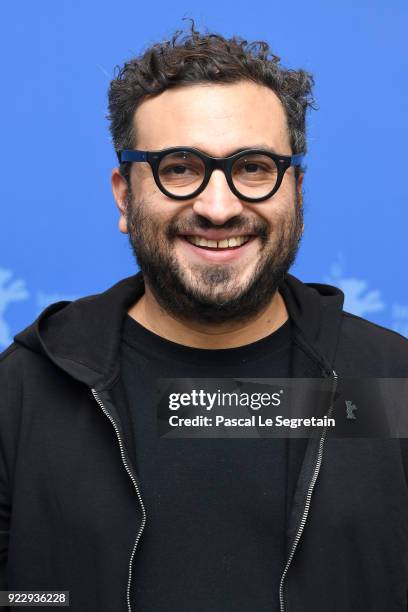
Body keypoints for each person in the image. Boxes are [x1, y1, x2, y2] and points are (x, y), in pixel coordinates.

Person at [1, 23, 408, 612]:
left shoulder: (390, 386)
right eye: (180, 167)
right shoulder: (25, 390)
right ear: (124, 195)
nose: (218, 208)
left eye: (254, 168)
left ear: (295, 188)